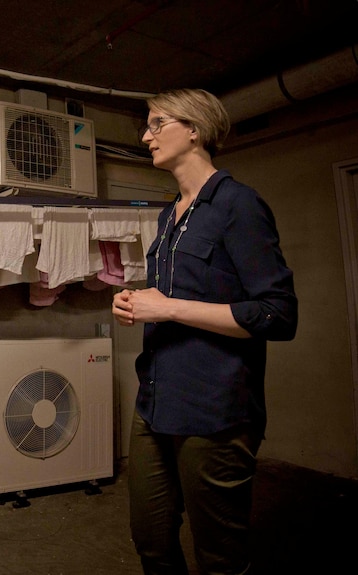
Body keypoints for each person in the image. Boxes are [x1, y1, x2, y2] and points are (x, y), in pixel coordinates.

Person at [112, 89, 298, 574]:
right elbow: (176, 300)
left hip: (215, 408)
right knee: (150, 539)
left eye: (156, 123)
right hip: (154, 399)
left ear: (193, 130)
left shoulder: (238, 205)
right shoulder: (169, 213)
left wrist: (169, 308)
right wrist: (138, 303)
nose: (145, 135)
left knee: (219, 555)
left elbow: (278, 315)